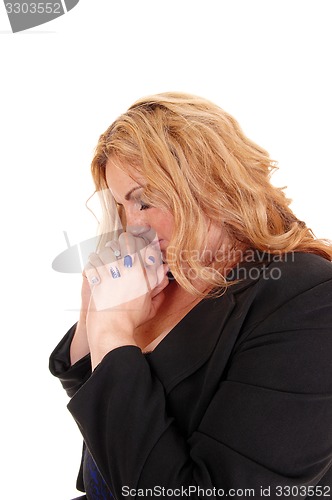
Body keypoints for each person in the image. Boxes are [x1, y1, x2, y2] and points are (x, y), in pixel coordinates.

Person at [50, 92, 332, 500]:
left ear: (209, 183)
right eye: (123, 206)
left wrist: (112, 328)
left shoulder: (310, 299)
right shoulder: (169, 277)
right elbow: (109, 425)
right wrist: (94, 309)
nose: (134, 226)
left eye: (143, 200)